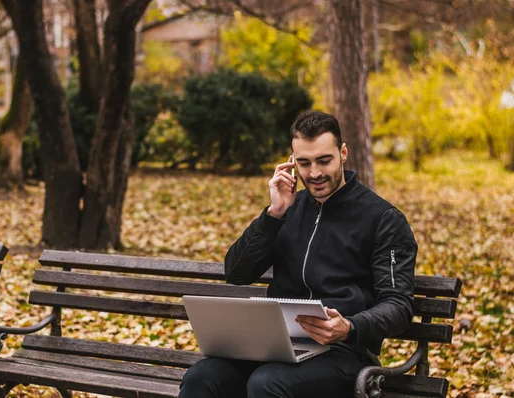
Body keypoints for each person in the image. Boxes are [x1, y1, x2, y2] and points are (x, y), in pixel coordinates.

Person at [179, 110, 418, 398]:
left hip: (342, 353)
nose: (314, 173)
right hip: (275, 345)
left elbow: (399, 305)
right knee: (201, 377)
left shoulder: (383, 218)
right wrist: (274, 214)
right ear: (291, 163)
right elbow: (236, 273)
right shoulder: (287, 209)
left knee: (266, 383)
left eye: (324, 160)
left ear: (343, 153)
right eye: (304, 163)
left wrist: (351, 327)